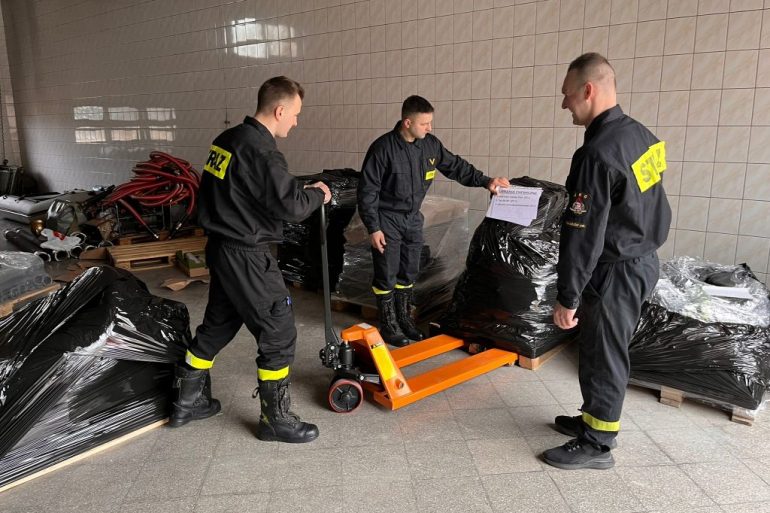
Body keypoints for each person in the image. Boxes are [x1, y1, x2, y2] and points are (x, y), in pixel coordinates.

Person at [168, 76, 331, 444]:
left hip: (222, 247)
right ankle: (276, 420)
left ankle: (186, 402)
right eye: (295, 114)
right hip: (247, 253)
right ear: (279, 110)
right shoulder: (262, 150)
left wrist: (294, 190)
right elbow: (289, 206)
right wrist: (318, 197)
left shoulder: (226, 141)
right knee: (278, 330)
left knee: (218, 324)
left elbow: (244, 191)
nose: (296, 122)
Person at [543, 53, 671, 469]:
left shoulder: (597, 153)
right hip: (642, 258)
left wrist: (568, 296)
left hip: (615, 269)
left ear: (588, 90)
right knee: (605, 348)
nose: (564, 105)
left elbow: (584, 233)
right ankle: (591, 419)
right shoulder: (641, 136)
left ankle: (597, 443)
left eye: (566, 96)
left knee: (603, 352)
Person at [357, 95, 510, 347]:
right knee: (387, 271)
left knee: (408, 270)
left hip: (412, 219)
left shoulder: (430, 146)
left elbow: (456, 166)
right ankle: (388, 324)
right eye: (424, 123)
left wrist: (486, 181)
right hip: (387, 220)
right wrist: (373, 227)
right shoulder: (383, 149)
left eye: (430, 123)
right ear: (407, 122)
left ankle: (404, 319)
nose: (430, 128)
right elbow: (368, 191)